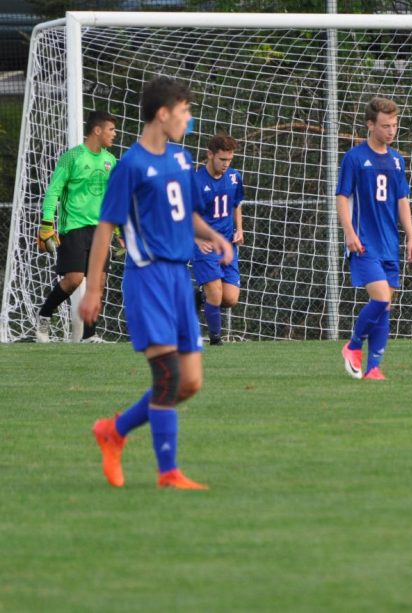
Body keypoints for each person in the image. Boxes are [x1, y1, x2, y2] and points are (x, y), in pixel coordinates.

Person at [80, 76, 233, 489]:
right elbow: (104, 228)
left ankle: (113, 431)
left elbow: (187, 215)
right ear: (163, 114)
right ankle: (168, 473)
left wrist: (214, 236)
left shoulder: (181, 159)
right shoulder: (130, 166)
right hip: (147, 278)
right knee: (166, 377)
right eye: (185, 112)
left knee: (189, 383)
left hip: (179, 280)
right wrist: (93, 289)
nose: (190, 119)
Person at [336, 96, 412, 380]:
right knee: (381, 299)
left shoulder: (397, 160)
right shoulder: (355, 158)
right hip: (363, 243)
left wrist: (410, 235)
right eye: (385, 125)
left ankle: (372, 368)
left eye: (394, 125)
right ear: (370, 125)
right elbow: (341, 196)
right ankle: (353, 345)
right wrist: (348, 231)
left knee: (387, 308)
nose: (391, 131)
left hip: (389, 244)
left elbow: (402, 200)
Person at [35, 110, 118, 343]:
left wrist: (119, 229)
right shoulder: (72, 158)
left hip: (101, 229)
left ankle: (89, 336)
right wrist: (46, 223)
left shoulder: (110, 160)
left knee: (98, 282)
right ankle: (44, 315)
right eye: (111, 129)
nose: (115, 134)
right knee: (74, 279)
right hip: (74, 227)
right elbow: (53, 192)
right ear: (97, 130)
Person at [192, 133, 245, 346]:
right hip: (204, 245)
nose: (226, 164)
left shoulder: (234, 177)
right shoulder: (195, 181)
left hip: (228, 245)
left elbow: (236, 204)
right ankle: (215, 339)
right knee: (215, 293)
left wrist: (239, 229)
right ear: (210, 154)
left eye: (229, 160)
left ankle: (198, 298)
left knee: (230, 299)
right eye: (222, 159)